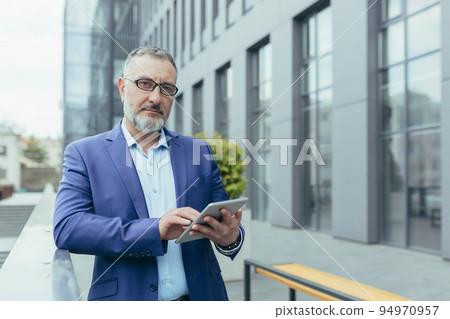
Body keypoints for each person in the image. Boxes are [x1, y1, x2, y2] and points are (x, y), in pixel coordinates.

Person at [53, 46, 244, 301]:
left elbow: (221, 218)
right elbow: (68, 227)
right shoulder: (84, 153)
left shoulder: (199, 151)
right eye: (145, 83)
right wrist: (156, 230)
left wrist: (230, 237)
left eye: (166, 88)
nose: (156, 97)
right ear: (122, 88)